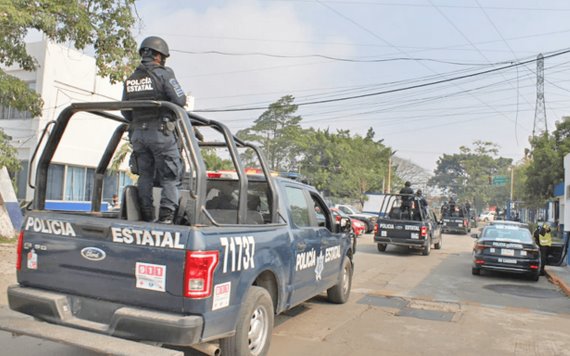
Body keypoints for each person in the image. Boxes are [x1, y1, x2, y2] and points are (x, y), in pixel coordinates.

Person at [122, 36, 187, 223]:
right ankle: (166, 219)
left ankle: (146, 215)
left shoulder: (130, 79)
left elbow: (125, 110)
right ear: (158, 56)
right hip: (160, 133)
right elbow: (180, 101)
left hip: (138, 135)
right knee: (170, 176)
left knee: (145, 176)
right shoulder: (164, 74)